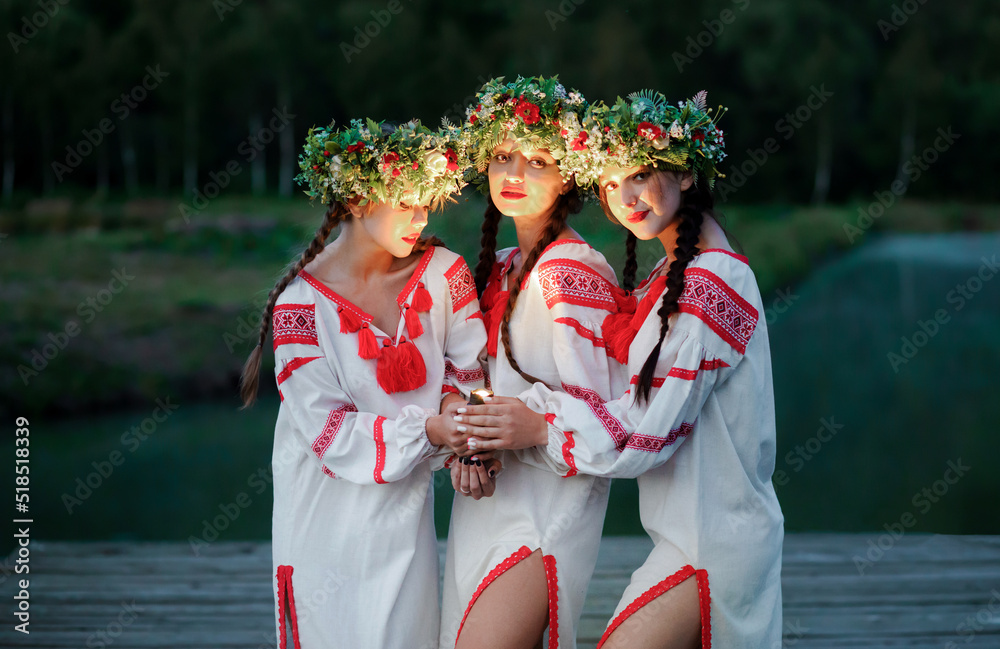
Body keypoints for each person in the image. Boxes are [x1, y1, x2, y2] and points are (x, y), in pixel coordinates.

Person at [457, 91, 784, 648]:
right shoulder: (673, 277)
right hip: (683, 534)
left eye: (638, 175)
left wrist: (539, 425)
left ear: (684, 172)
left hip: (717, 536)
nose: (624, 197)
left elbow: (652, 430)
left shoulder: (713, 283)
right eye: (609, 184)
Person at [239, 118, 488, 649]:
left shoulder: (446, 274)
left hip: (404, 513)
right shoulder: (299, 307)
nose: (420, 218)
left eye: (428, 202)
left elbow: (468, 374)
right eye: (405, 203)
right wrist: (436, 430)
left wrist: (466, 438)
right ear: (355, 200)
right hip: (323, 517)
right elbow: (330, 433)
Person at [439, 76, 628, 649]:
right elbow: (478, 384)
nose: (514, 174)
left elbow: (611, 410)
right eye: (501, 157)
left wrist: (534, 423)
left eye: (538, 161)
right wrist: (471, 449)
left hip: (547, 509)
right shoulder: (499, 266)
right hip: (488, 501)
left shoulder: (574, 273)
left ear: (569, 171)